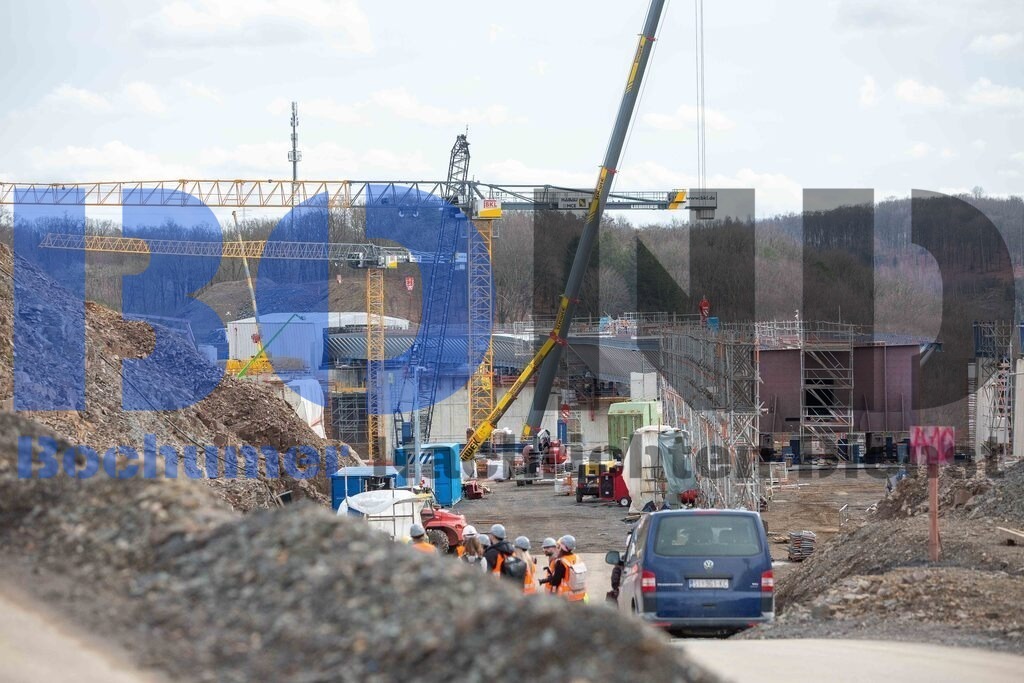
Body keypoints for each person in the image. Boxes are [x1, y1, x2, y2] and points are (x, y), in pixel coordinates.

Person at [539, 535, 586, 601]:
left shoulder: (561, 562)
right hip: (580, 596)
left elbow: (555, 581)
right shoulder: (577, 557)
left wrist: (549, 578)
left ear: (561, 547)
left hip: (568, 599)